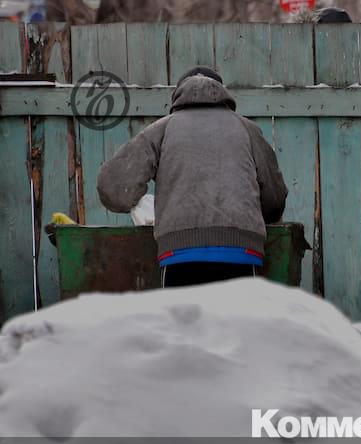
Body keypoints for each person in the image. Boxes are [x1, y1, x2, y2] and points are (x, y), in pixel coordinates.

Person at [97, 66, 288, 288]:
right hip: (239, 252)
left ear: (178, 95)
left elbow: (112, 188)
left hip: (180, 254)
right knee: (234, 313)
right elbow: (274, 200)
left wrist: (139, 202)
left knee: (185, 314)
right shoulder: (247, 129)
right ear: (222, 92)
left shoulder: (162, 129)